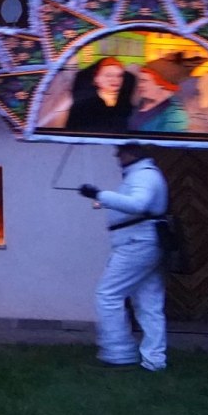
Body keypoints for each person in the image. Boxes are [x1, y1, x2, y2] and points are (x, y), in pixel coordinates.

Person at [78, 141, 168, 371]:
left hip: (137, 243)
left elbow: (138, 205)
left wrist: (99, 194)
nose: (116, 155)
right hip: (144, 241)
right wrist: (101, 199)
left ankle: (119, 353)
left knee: (108, 295)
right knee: (149, 302)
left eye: (120, 152)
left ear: (132, 153)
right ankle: (154, 360)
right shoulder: (143, 174)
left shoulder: (143, 175)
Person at [65, 56, 136, 134]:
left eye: (119, 76)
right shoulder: (83, 107)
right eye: (109, 75)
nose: (115, 79)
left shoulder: (126, 106)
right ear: (96, 78)